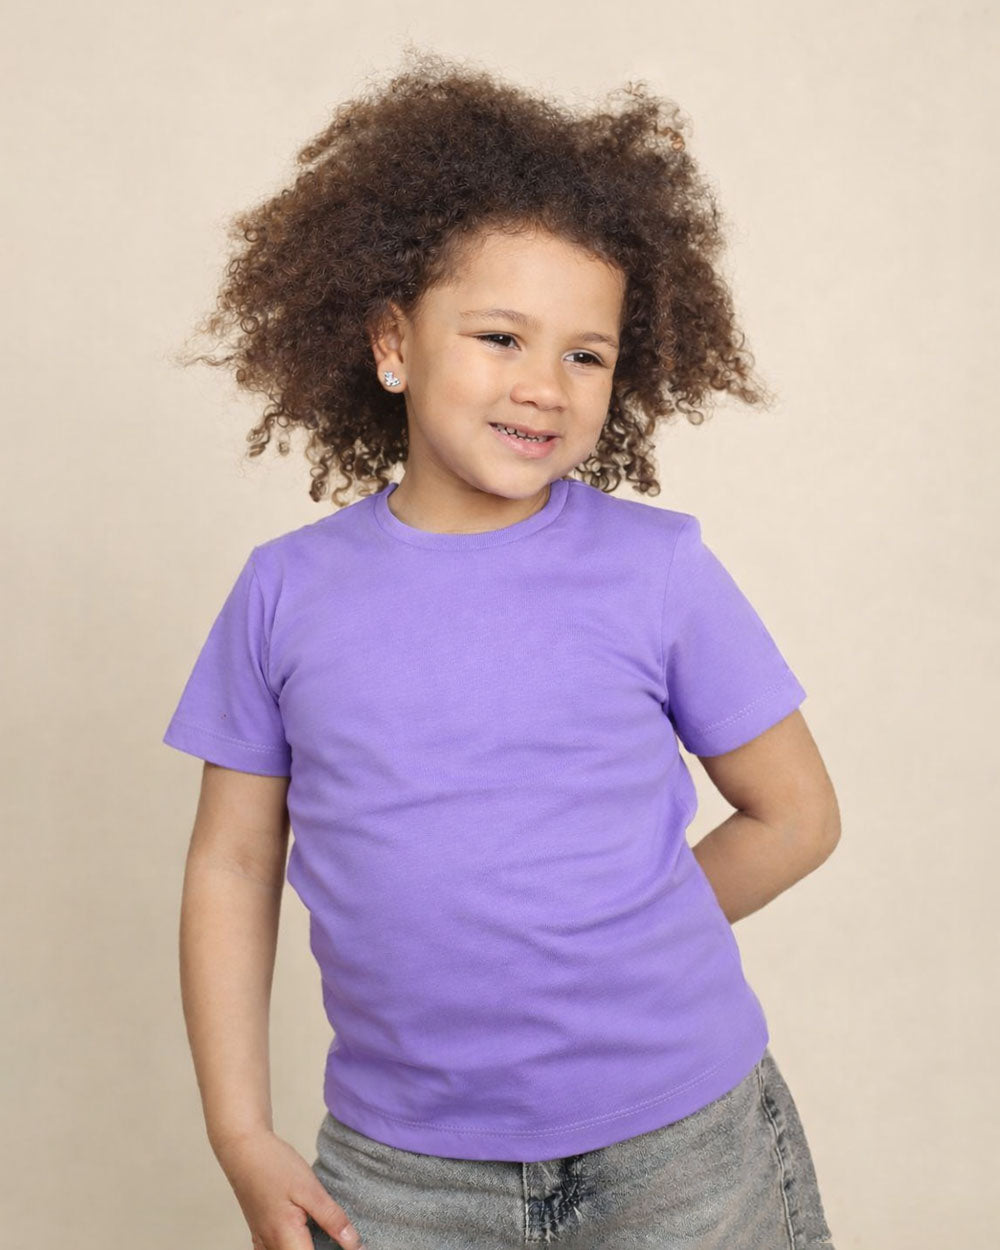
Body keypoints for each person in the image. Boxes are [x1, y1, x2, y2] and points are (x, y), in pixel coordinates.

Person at [163, 47, 839, 1250]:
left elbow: (796, 813)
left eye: (586, 353)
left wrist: (624, 934)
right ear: (392, 342)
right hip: (402, 1171)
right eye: (499, 336)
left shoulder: (657, 567)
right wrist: (238, 1129)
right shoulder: (284, 592)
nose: (544, 385)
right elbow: (232, 862)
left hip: (682, 1146)